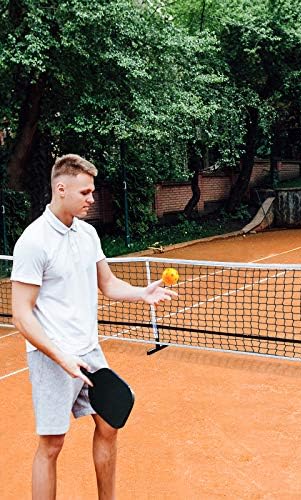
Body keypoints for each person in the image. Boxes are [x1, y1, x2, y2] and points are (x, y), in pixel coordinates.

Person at [11, 154, 178, 499]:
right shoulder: (34, 241)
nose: (92, 198)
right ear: (61, 188)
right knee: (52, 445)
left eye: (92, 191)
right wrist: (60, 357)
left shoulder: (87, 234)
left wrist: (142, 293)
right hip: (52, 357)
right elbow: (21, 314)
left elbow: (109, 283)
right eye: (85, 192)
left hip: (89, 350)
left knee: (109, 423)